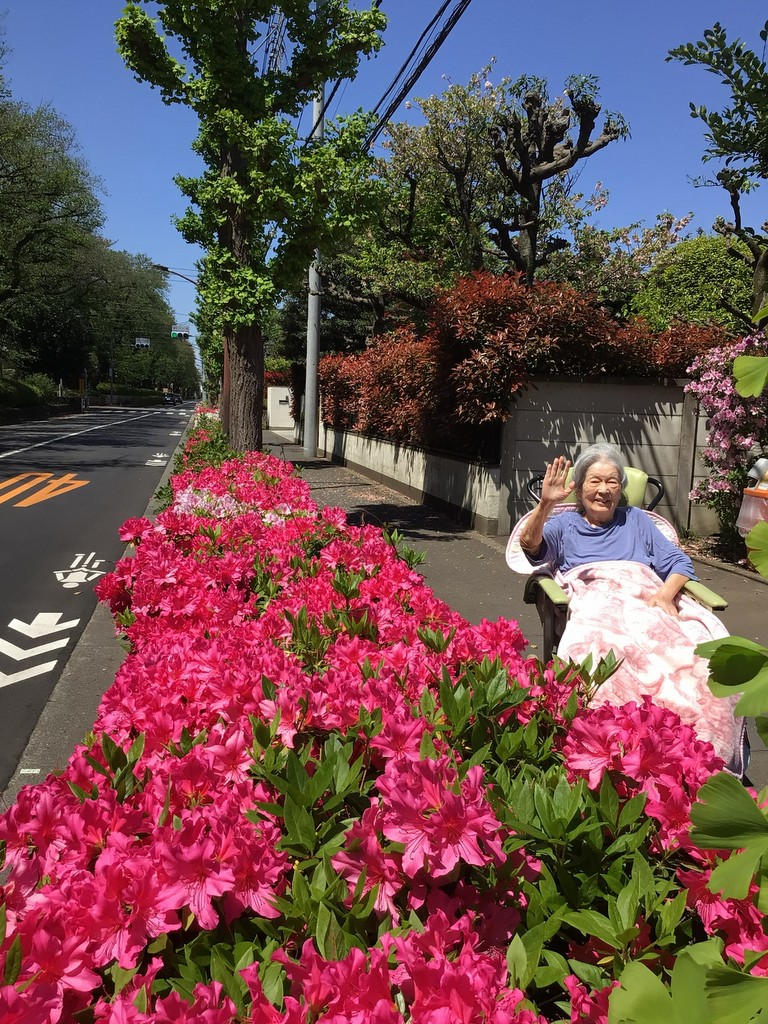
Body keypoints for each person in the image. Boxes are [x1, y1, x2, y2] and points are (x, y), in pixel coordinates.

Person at [516, 442, 744, 774]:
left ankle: (697, 759)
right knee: (609, 657)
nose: (604, 490)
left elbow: (678, 562)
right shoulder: (563, 526)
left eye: (612, 481)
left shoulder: (636, 520)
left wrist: (666, 595)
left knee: (698, 659)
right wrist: (546, 505)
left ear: (621, 488)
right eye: (595, 481)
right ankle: (620, 755)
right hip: (597, 602)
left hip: (646, 599)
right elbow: (530, 546)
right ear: (579, 488)